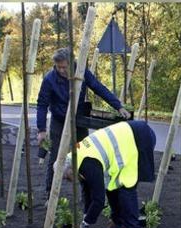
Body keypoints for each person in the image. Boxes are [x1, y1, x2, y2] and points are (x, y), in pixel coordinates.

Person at [37, 48, 131, 197]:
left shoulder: (81, 72)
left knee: (83, 153)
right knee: (56, 156)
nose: (61, 70)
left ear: (71, 63)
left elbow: (98, 88)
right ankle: (50, 193)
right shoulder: (49, 79)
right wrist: (41, 129)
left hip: (78, 120)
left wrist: (118, 106)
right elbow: (42, 104)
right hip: (59, 121)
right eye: (58, 67)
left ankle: (86, 193)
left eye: (64, 67)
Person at [58, 120, 156, 228]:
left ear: (71, 170)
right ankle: (118, 223)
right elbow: (88, 192)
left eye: (67, 178)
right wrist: (85, 218)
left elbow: (98, 200)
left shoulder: (88, 164)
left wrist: (83, 227)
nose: (69, 181)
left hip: (139, 139)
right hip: (128, 138)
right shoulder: (75, 158)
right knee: (111, 186)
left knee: (126, 187)